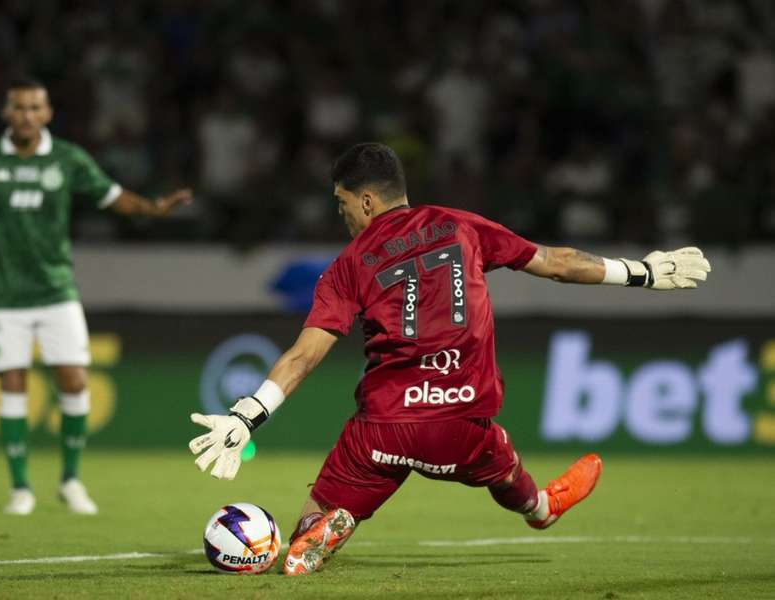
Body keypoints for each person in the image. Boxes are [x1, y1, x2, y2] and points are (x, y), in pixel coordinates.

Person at [188, 143, 711, 575]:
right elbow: (556, 263)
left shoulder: (348, 267)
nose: (342, 213)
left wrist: (246, 416)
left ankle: (312, 541)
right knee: (508, 475)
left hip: (382, 431)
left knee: (309, 528)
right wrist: (641, 272)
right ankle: (543, 509)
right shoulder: (462, 226)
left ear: (367, 201)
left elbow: (304, 356)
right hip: (462, 425)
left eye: (342, 202)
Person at [0, 76, 193, 515]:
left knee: (75, 380)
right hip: (4, 294)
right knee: (12, 383)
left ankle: (70, 479)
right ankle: (20, 488)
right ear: (6, 114)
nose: (26, 115)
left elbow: (113, 196)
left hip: (56, 289)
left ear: (47, 114)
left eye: (34, 108)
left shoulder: (67, 158)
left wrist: (154, 208)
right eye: (18, 108)